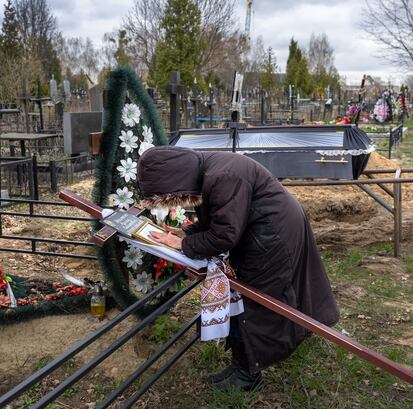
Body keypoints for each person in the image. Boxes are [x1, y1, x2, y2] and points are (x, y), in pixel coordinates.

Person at [137, 146, 339, 390]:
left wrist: (183, 243)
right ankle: (242, 365)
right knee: (249, 298)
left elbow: (225, 234)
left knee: (258, 302)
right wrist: (185, 233)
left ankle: (247, 375)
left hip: (271, 237)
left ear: (174, 179)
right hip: (265, 231)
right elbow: (219, 219)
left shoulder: (222, 176)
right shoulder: (209, 170)